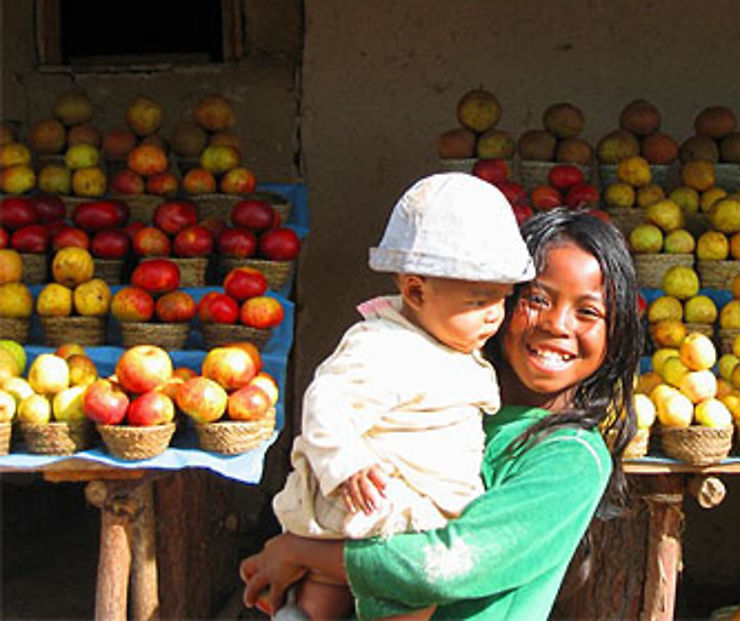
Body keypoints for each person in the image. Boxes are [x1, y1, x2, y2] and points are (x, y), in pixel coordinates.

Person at [241, 207, 642, 620]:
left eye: (588, 312)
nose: (557, 324)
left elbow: (444, 567)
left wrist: (299, 552)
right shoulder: (444, 401)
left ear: (617, 332)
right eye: (537, 299)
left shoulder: (572, 457)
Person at [268, 172, 536, 620]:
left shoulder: (452, 344)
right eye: (478, 301)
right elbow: (327, 402)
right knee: (403, 591)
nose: (494, 317)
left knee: (335, 584)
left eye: (502, 300)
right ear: (415, 290)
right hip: (379, 507)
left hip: (417, 507)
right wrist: (346, 463)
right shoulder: (383, 346)